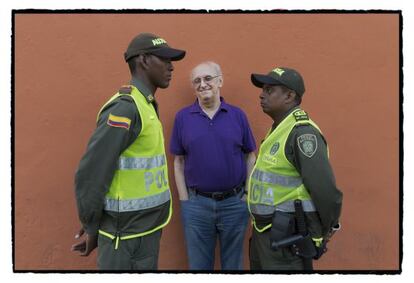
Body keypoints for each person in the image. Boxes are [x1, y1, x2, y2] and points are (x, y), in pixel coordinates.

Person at [71, 32, 186, 270]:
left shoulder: (146, 104)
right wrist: (92, 224)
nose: (171, 67)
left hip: (145, 230)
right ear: (143, 60)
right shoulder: (125, 108)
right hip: (124, 238)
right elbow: (91, 172)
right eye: (164, 59)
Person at [247, 66, 343, 271]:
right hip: (265, 233)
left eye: (269, 90)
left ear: (289, 96)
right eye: (263, 89)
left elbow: (324, 190)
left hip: (287, 239)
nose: (261, 95)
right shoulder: (280, 128)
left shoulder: (302, 134)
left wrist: (325, 230)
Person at [170, 61, 257, 270]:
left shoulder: (237, 116)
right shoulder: (183, 118)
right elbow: (178, 161)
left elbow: (251, 156)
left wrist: (246, 194)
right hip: (197, 205)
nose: (202, 84)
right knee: (199, 267)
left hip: (234, 204)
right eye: (196, 81)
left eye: (208, 78)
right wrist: (185, 200)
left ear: (220, 81)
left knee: (233, 266)